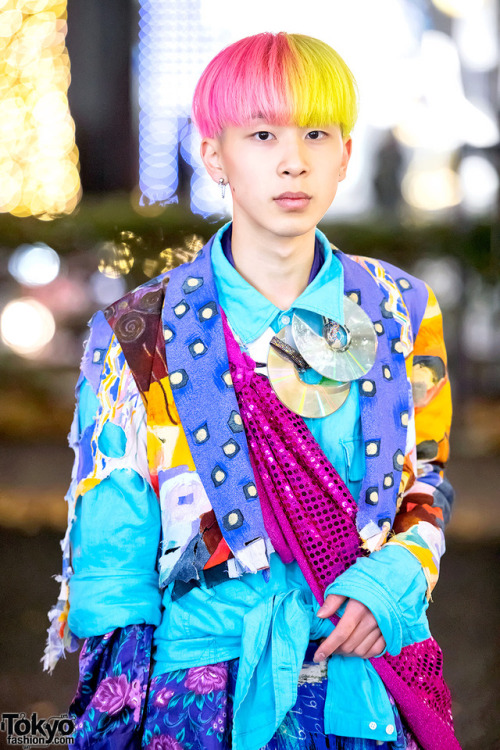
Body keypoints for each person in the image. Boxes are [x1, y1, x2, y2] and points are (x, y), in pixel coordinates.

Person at [43, 32, 459, 750]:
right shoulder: (140, 332)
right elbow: (113, 560)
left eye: (316, 133)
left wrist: (393, 578)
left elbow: (426, 476)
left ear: (345, 155)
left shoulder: (401, 309)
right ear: (214, 155)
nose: (293, 160)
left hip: (361, 687)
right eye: (262, 134)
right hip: (199, 697)